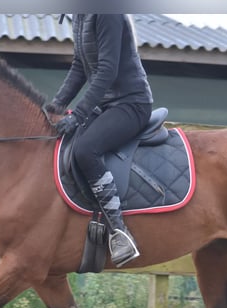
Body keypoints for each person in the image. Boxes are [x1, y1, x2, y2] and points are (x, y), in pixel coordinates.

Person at [48, 14, 153, 267]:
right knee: (67, 143)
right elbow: (79, 66)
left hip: (132, 104)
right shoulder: (82, 14)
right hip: (106, 105)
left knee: (86, 149)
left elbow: (107, 70)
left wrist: (79, 113)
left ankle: (119, 231)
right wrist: (56, 105)